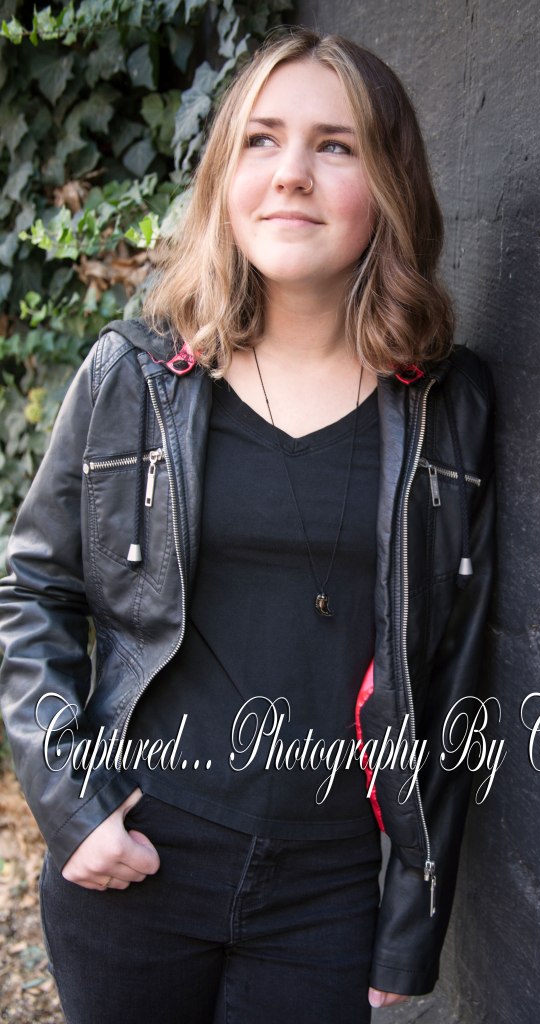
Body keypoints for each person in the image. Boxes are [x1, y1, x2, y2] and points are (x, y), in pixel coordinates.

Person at [0, 26, 495, 1024]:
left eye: (334, 145)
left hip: (329, 885)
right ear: (224, 173)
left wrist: (411, 915)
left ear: (389, 183)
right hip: (140, 853)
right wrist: (71, 805)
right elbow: (32, 590)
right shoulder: (135, 377)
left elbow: (454, 666)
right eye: (261, 140)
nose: (291, 173)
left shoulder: (447, 405)